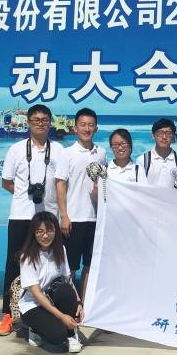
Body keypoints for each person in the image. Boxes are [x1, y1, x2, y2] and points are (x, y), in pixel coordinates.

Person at [0, 104, 64, 337]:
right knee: (13, 264)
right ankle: (8, 314)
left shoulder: (59, 150)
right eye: (36, 119)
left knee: (48, 265)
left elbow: (61, 183)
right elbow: (6, 182)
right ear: (29, 123)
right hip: (20, 215)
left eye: (44, 119)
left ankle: (46, 310)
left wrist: (63, 213)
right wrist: (22, 195)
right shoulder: (16, 149)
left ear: (50, 122)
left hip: (48, 217)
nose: (40, 123)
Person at [55, 108, 107, 299]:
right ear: (75, 128)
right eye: (83, 125)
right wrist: (64, 215)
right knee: (70, 267)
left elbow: (104, 185)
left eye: (91, 125)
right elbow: (60, 184)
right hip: (74, 219)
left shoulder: (101, 153)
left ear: (96, 128)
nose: (87, 129)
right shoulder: (67, 153)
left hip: (96, 219)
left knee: (90, 265)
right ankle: (69, 304)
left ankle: (85, 304)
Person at [17, 211, 83, 352]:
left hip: (53, 297)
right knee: (57, 336)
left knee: (66, 290)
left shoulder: (60, 250)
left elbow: (68, 280)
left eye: (49, 230)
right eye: (40, 231)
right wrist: (61, 316)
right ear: (33, 233)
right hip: (33, 304)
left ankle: (71, 333)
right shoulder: (27, 257)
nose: (45, 236)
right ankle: (35, 328)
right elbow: (37, 294)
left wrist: (78, 302)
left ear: (55, 231)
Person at [138, 118, 177, 187]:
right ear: (153, 136)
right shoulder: (142, 160)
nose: (164, 137)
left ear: (173, 136)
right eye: (160, 133)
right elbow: (139, 188)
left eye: (168, 133)